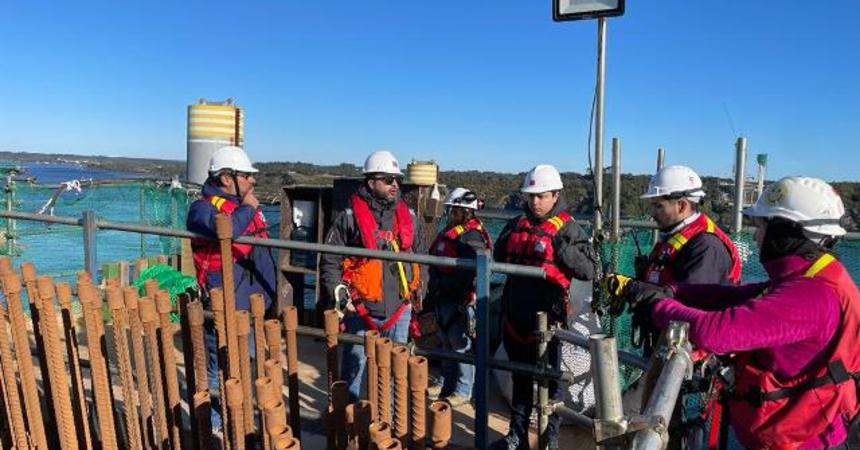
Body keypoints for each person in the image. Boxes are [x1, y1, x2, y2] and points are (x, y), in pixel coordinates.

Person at [622, 176, 860, 449]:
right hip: (798, 427)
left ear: (786, 232)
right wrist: (673, 291)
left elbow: (713, 332)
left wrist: (656, 304)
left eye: (762, 227)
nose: (756, 237)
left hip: (803, 439)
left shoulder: (812, 296)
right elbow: (738, 295)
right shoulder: (813, 274)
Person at [491, 164, 596, 450]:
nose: (535, 202)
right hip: (515, 318)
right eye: (531, 196)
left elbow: (588, 270)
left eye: (541, 196)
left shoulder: (569, 229)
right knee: (520, 379)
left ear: (556, 195)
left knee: (552, 383)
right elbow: (499, 255)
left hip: (549, 322)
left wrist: (563, 249)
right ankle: (517, 436)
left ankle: (551, 439)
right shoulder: (516, 224)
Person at [319, 150, 424, 402]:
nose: (395, 184)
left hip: (400, 309)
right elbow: (330, 259)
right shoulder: (348, 218)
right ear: (370, 182)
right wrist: (339, 294)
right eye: (388, 179)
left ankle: (388, 419)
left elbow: (423, 257)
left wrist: (421, 289)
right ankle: (349, 416)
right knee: (353, 369)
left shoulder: (409, 218)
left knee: (395, 373)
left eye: (397, 179)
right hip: (360, 308)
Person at [186, 145, 277, 430]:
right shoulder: (202, 208)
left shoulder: (243, 207)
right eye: (246, 175)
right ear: (227, 178)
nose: (253, 180)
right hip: (224, 304)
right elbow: (224, 229)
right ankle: (214, 425)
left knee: (247, 363)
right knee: (219, 364)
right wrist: (249, 207)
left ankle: (240, 418)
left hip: (250, 304)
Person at [426, 187, 492, 407]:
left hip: (459, 299)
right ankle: (446, 382)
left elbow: (470, 272)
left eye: (454, 211)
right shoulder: (450, 232)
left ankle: (463, 390)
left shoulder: (471, 237)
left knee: (461, 345)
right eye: (450, 210)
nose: (450, 214)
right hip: (443, 295)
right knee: (446, 343)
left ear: (466, 212)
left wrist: (451, 288)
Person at [638, 165, 741, 286]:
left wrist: (637, 290)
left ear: (681, 206)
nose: (653, 213)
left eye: (658, 206)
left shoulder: (706, 247)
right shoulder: (679, 237)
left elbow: (691, 296)